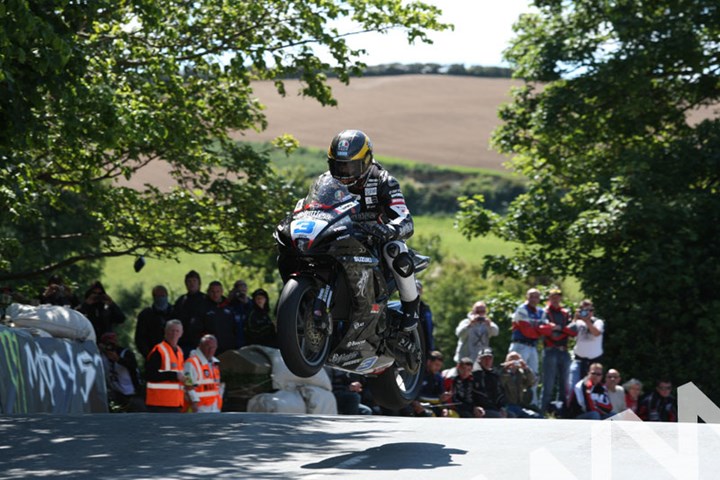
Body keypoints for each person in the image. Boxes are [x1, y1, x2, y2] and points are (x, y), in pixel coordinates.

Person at [325, 129, 420, 334]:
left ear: (366, 161)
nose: (344, 172)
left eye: (350, 166)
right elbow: (312, 205)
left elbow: (406, 219)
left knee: (396, 249)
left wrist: (389, 229)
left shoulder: (384, 181)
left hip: (374, 241)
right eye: (339, 166)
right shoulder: (327, 182)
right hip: (339, 235)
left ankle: (411, 308)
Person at [509, 288, 555, 406]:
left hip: (533, 346)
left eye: (536, 296)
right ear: (526, 297)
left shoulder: (541, 312)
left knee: (533, 375)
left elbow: (548, 330)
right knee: (516, 373)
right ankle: (514, 403)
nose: (534, 299)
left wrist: (538, 330)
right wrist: (540, 330)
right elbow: (526, 331)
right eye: (531, 296)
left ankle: (533, 404)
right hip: (520, 345)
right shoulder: (521, 310)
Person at [540, 288, 577, 414]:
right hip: (550, 350)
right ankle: (542, 413)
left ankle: (561, 413)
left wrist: (559, 329)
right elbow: (547, 331)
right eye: (553, 296)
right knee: (548, 384)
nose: (555, 299)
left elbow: (573, 331)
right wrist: (563, 330)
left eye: (558, 296)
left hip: (564, 351)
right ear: (549, 298)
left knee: (564, 385)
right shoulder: (544, 312)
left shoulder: (565, 313)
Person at [145, 319, 187, 413]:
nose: (174, 334)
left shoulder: (180, 351)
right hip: (159, 404)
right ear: (165, 332)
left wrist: (187, 381)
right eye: (172, 330)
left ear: (181, 333)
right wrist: (174, 375)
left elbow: (179, 374)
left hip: (175, 403)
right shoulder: (158, 350)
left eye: (177, 331)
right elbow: (150, 375)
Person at [567, 299, 604, 403]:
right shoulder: (578, 322)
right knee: (572, 385)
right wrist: (575, 318)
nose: (586, 312)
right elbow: (569, 334)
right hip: (578, 359)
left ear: (592, 311)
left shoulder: (598, 322)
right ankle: (570, 409)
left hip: (594, 362)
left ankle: (590, 408)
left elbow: (596, 333)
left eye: (589, 309)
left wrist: (587, 321)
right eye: (583, 309)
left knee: (591, 388)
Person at [98, 332, 145, 412]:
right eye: (107, 344)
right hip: (116, 393)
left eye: (112, 344)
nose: (110, 347)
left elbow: (133, 366)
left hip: (132, 393)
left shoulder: (125, 353)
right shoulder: (101, 356)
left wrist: (118, 359)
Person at [184, 334, 224, 413]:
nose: (211, 350)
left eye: (213, 347)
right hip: (198, 409)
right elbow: (188, 385)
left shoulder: (214, 364)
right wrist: (194, 404)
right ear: (200, 346)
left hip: (214, 409)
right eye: (207, 346)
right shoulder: (191, 363)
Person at [174, 270, 210, 357]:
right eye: (189, 281)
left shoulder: (206, 300)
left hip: (201, 342)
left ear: (199, 283)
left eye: (194, 281)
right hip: (183, 342)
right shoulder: (181, 301)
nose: (192, 284)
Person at [134, 285, 174, 358]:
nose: (161, 299)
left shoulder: (175, 312)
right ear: (154, 297)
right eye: (158, 296)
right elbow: (140, 338)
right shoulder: (145, 315)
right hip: (153, 354)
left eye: (163, 296)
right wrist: (149, 354)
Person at [500, 351, 543, 419]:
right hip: (506, 405)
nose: (514, 362)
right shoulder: (501, 372)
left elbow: (531, 382)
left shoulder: (521, 373)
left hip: (520, 405)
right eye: (512, 359)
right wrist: (506, 369)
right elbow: (500, 384)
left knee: (538, 416)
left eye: (517, 360)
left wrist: (526, 368)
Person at [471, 348, 512, 418]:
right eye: (484, 358)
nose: (487, 361)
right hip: (481, 409)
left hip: (494, 408)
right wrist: (474, 407)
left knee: (512, 415)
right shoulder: (474, 374)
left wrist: (502, 407)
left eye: (490, 358)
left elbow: (499, 394)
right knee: (498, 416)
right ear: (479, 359)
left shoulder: (494, 375)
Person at [202, 281, 237, 355]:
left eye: (218, 291)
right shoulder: (203, 307)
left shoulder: (229, 306)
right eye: (212, 292)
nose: (215, 294)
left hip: (228, 347)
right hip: (211, 348)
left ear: (222, 292)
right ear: (208, 292)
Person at [417, 350, 452, 417]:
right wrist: (438, 399)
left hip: (435, 406)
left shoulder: (438, 377)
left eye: (440, 366)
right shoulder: (419, 375)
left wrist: (445, 408)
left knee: (451, 415)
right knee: (430, 415)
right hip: (419, 406)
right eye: (436, 365)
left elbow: (441, 393)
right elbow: (419, 396)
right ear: (429, 362)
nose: (438, 368)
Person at [228, 279, 251, 348]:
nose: (241, 293)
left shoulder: (250, 302)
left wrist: (246, 302)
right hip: (234, 339)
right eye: (239, 290)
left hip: (247, 339)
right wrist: (231, 298)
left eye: (243, 290)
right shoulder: (231, 303)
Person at [416, 280, 436, 354]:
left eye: (418, 289)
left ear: (421, 291)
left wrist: (430, 348)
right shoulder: (399, 305)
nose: (416, 291)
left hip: (422, 345)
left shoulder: (425, 309)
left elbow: (429, 329)